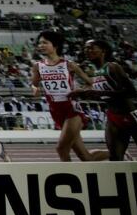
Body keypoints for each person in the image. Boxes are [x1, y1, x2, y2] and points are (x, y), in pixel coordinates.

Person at [72, 39, 137, 161]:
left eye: (91, 47)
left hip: (132, 116)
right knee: (115, 159)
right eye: (85, 48)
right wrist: (84, 94)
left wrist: (97, 92)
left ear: (103, 51)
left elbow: (131, 92)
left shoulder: (112, 67)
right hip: (114, 117)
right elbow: (105, 95)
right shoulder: (96, 72)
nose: (87, 51)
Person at [29, 31, 107, 162]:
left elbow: (90, 83)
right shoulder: (38, 66)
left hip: (72, 110)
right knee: (86, 157)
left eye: (45, 42)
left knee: (61, 148)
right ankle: (119, 152)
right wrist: (35, 89)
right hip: (56, 111)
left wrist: (80, 90)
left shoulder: (69, 65)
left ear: (55, 45)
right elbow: (34, 84)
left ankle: (69, 174)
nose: (41, 45)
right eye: (39, 43)